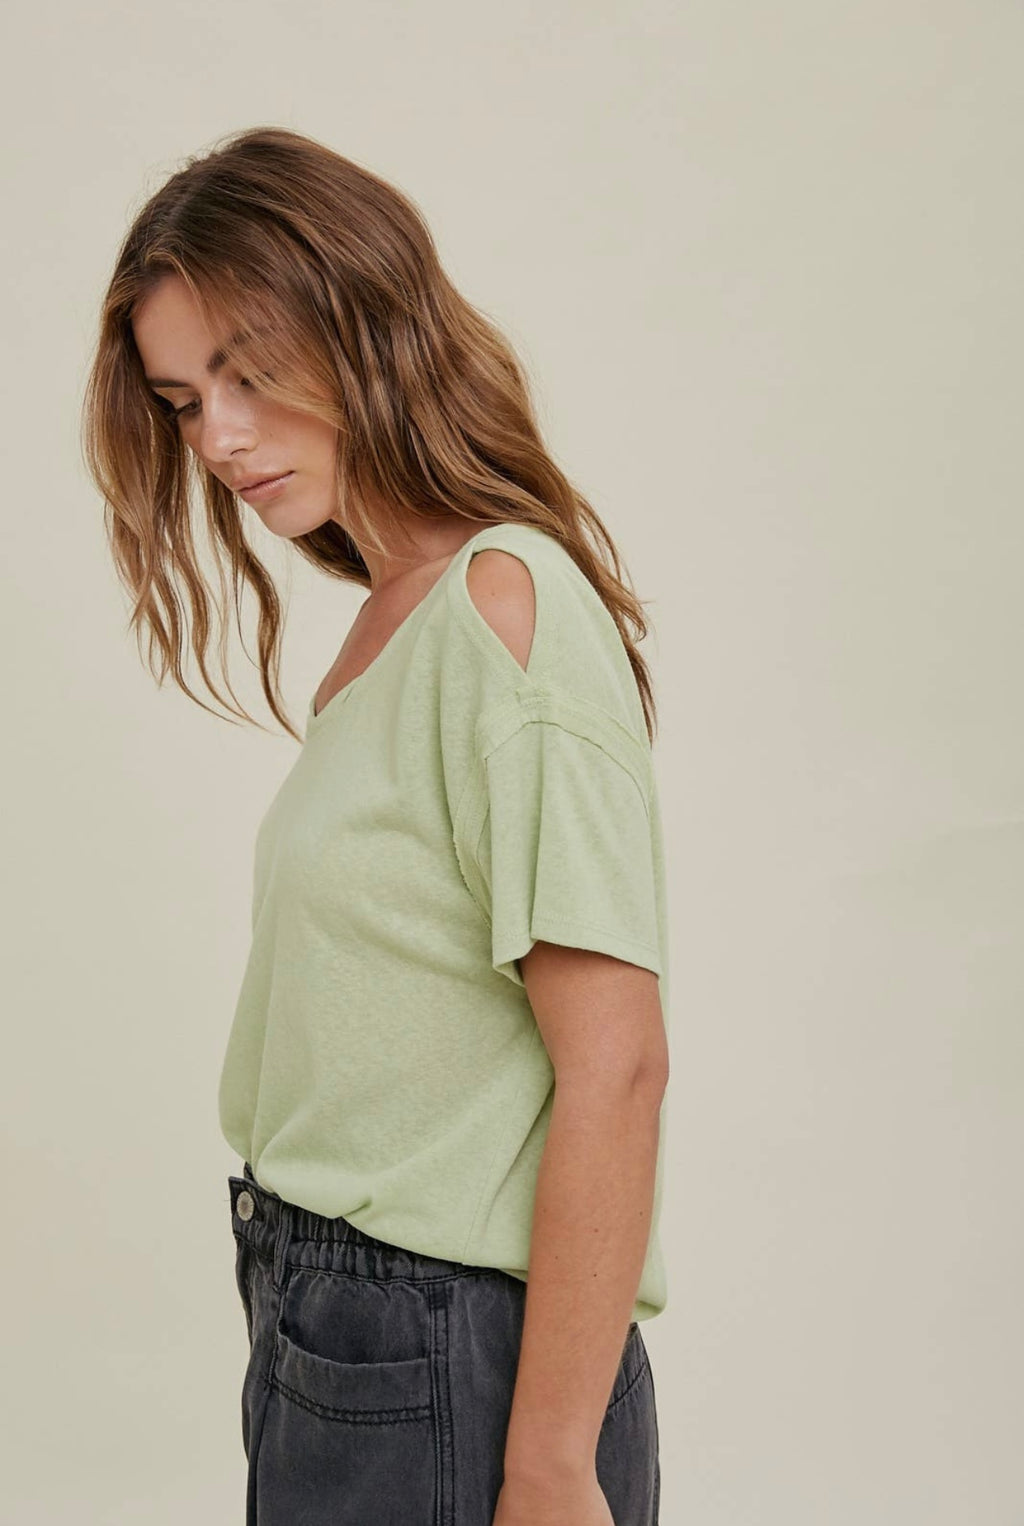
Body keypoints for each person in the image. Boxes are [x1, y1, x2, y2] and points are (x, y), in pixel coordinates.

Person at [81, 125, 671, 1526]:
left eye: (246, 370)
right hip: (327, 1315)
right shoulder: (393, 625)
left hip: (446, 1347)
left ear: (364, 322)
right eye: (182, 399)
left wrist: (548, 1465)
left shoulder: (504, 604)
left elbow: (618, 1065)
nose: (217, 438)